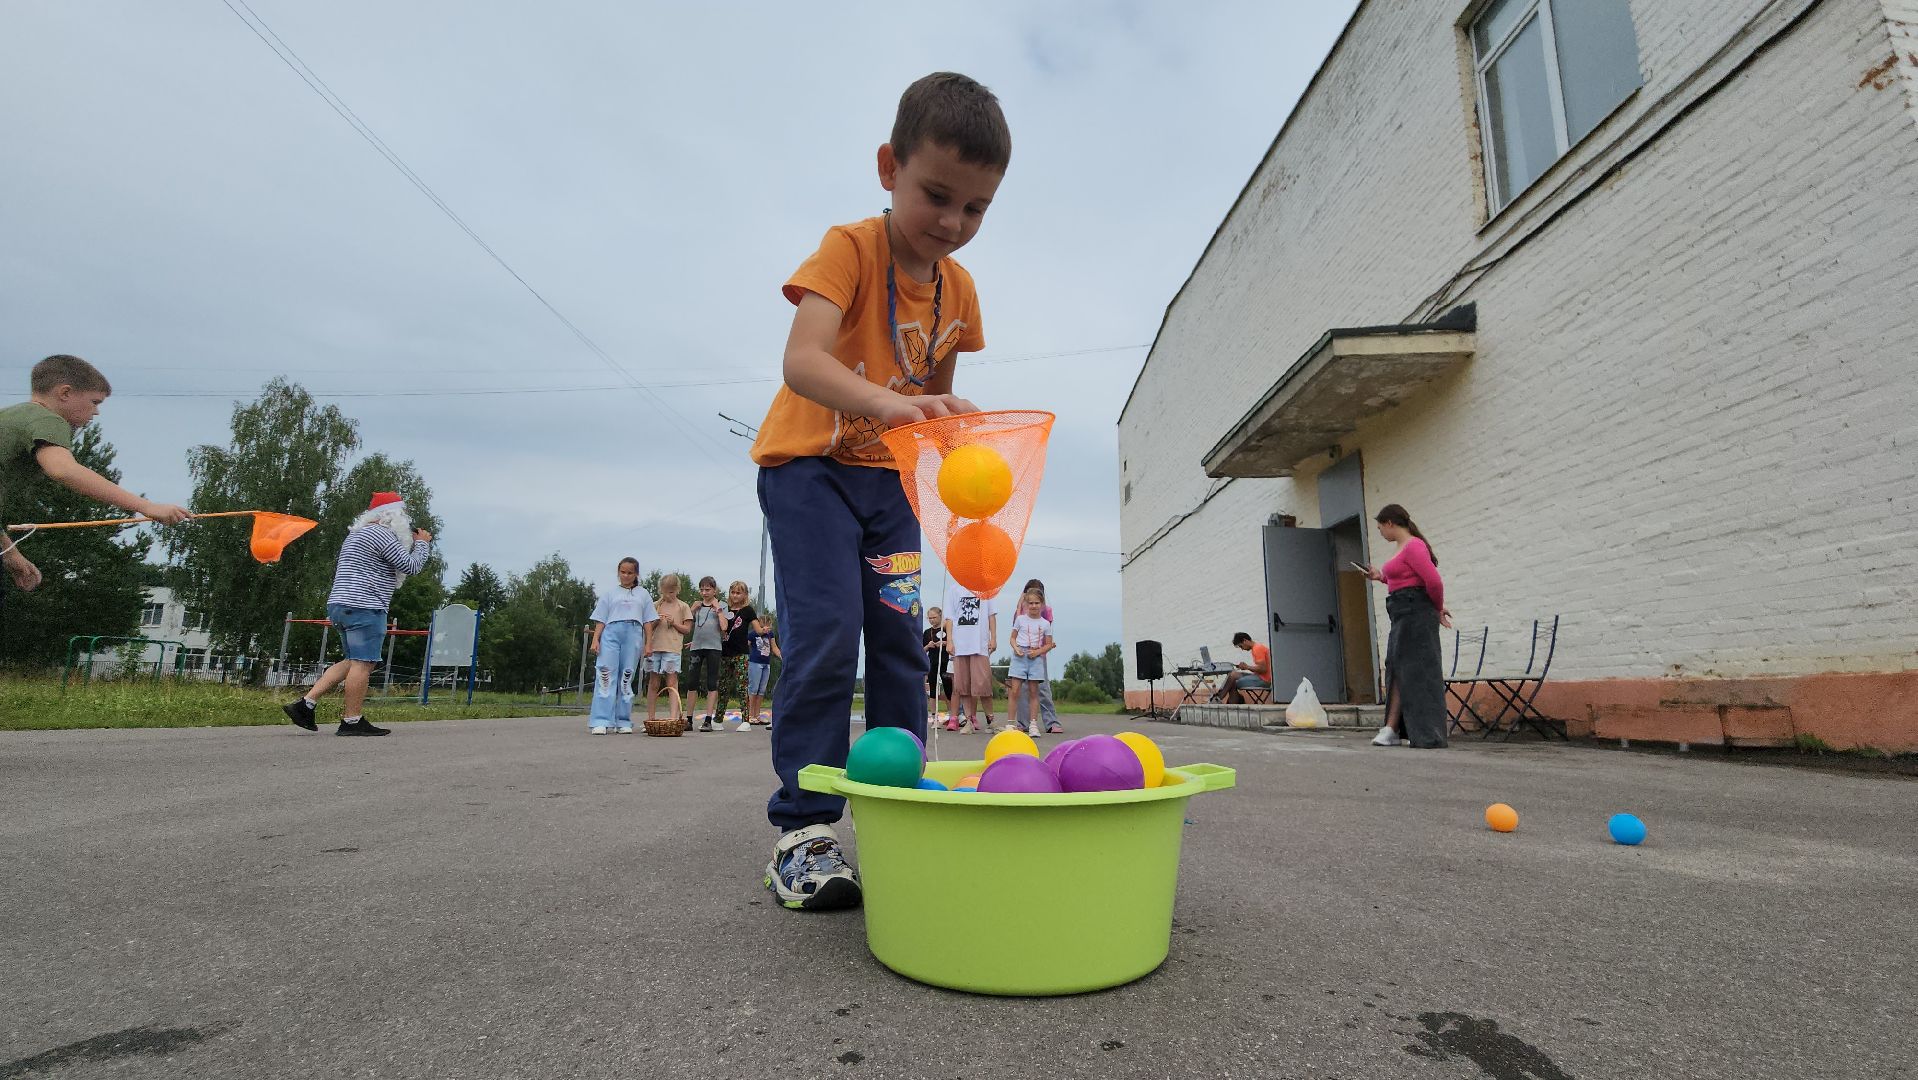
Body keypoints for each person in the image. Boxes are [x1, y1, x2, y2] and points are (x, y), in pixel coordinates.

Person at [748, 72, 1009, 911]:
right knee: (828, 632)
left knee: (900, 642)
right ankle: (805, 828)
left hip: (888, 487)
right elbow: (803, 361)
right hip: (808, 472)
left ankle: (902, 807)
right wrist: (894, 404)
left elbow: (930, 401)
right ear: (888, 167)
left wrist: (943, 435)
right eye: (937, 195)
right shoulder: (849, 249)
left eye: (975, 209)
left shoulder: (957, 292)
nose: (952, 223)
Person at [1, 355, 191, 599]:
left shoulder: (11, 417)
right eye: (94, 402)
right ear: (65, 393)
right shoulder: (47, 420)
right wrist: (147, 506)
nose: (97, 412)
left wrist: (10, 554)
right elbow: (64, 470)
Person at [282, 492, 432, 736]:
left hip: (340, 605)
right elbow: (410, 566)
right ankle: (352, 721)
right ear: (392, 516)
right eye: (402, 514)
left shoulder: (356, 535)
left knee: (352, 660)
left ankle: (305, 704)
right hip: (365, 606)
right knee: (364, 664)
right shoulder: (382, 535)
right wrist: (423, 544)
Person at [1360, 503, 1452, 748]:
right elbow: (1399, 579)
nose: (1381, 533)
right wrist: (1379, 576)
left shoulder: (1414, 546)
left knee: (1417, 670)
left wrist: (1437, 608)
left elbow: (1433, 582)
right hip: (1402, 610)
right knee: (1398, 666)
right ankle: (1393, 728)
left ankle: (1425, 734)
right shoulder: (1404, 548)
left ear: (1390, 523)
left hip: (1415, 611)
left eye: (1381, 528)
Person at [587, 557, 658, 735]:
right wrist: (596, 639)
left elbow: (648, 620)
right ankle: (601, 720)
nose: (626, 576)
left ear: (636, 574)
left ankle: (623, 720)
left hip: (633, 634)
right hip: (611, 633)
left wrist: (648, 643)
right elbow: (601, 619)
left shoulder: (643, 594)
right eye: (623, 572)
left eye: (630, 573)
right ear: (618, 573)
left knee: (626, 676)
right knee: (606, 674)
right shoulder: (610, 593)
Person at [944, 580, 998, 735]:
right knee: (964, 685)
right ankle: (969, 720)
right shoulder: (954, 589)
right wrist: (950, 641)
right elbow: (949, 618)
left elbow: (991, 615)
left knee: (983, 683)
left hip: (979, 644)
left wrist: (993, 637)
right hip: (961, 644)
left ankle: (991, 719)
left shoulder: (986, 588)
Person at [645, 573, 692, 728]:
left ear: (677, 590)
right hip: (655, 647)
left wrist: (674, 623)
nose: (668, 595)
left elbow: (687, 629)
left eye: (671, 592)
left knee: (671, 681)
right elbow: (647, 628)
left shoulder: (683, 607)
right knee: (653, 682)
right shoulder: (655, 605)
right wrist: (656, 621)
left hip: (672, 648)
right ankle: (650, 718)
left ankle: (673, 718)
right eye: (665, 592)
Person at [1007, 588, 1054, 738]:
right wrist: (1016, 648)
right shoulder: (1020, 619)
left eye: (1037, 603)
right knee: (1015, 691)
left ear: (1042, 604)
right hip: (1020, 656)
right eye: (1031, 603)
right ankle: (1010, 723)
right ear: (1026, 604)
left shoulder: (1045, 624)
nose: (1034, 606)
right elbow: (1012, 638)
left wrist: (1038, 652)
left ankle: (1033, 724)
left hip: (1036, 657)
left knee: (1034, 692)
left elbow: (1048, 644)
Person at [1020, 577, 1063, 734]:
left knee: (1043, 688)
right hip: (1022, 654)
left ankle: (1051, 722)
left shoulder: (1046, 611)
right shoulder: (1020, 612)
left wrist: (1041, 651)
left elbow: (1046, 634)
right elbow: (1016, 629)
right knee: (1023, 689)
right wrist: (1020, 604)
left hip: (1039, 654)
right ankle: (1022, 723)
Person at [686, 576, 727, 731]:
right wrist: (691, 610)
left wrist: (718, 609)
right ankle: (688, 719)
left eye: (708, 589)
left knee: (711, 683)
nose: (704, 592)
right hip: (696, 647)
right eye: (702, 589)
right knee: (691, 683)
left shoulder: (721, 605)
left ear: (714, 590)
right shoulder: (697, 606)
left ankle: (708, 720)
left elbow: (724, 627)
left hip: (714, 648)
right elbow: (687, 625)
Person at [718, 580, 758, 731]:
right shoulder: (724, 609)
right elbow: (718, 628)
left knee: (742, 686)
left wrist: (762, 631)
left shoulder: (748, 610)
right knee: (723, 686)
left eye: (738, 593)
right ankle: (717, 718)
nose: (735, 595)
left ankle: (745, 720)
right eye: (733, 592)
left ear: (745, 595)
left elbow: (757, 628)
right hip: (725, 652)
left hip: (741, 653)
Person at [745, 613, 781, 728]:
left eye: (768, 624)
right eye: (763, 624)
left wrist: (781, 656)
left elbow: (774, 647)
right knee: (753, 688)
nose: (766, 627)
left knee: (761, 690)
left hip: (766, 664)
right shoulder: (753, 634)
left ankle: (757, 714)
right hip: (755, 662)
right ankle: (750, 715)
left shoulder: (770, 634)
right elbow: (746, 646)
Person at [923, 606, 955, 729]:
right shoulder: (927, 632)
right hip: (932, 664)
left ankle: (953, 716)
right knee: (932, 691)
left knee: (948, 690)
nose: (932, 620)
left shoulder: (947, 629)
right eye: (929, 618)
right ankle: (934, 717)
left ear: (940, 616)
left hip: (946, 663)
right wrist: (928, 646)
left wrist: (945, 643)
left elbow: (953, 643)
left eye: (934, 617)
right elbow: (921, 649)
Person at [1217, 631, 1270, 704]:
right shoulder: (1257, 647)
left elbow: (1263, 669)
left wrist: (1247, 667)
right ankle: (1221, 698)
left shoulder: (1257, 649)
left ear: (1245, 640)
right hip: (1260, 677)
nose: (1242, 649)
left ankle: (1220, 699)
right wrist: (1246, 667)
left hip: (1265, 681)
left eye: (1241, 646)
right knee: (1233, 674)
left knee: (1233, 682)